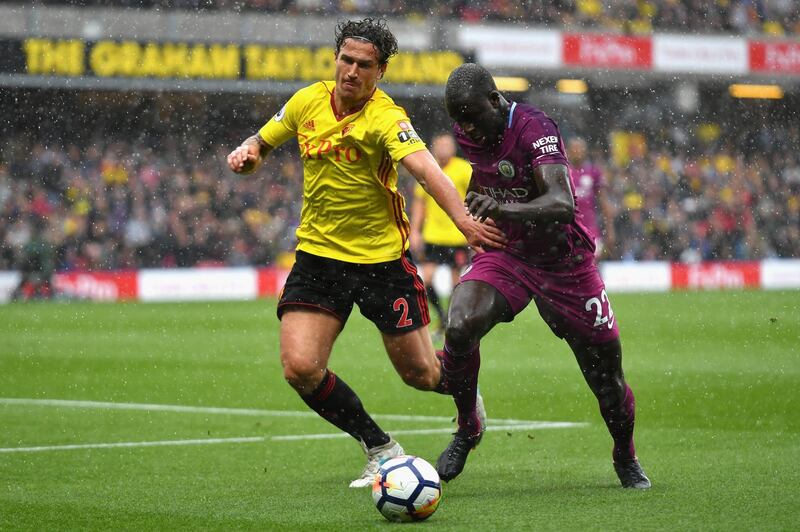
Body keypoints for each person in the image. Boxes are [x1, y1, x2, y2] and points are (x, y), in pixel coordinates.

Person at [226, 20, 505, 488]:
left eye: (364, 65)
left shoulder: (386, 118)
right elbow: (261, 141)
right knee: (299, 368)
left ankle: (464, 388)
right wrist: (249, 154)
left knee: (419, 374)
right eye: (346, 60)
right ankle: (380, 448)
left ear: (381, 71)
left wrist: (462, 220)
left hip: (382, 263)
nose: (352, 72)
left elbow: (425, 169)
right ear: (336, 58)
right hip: (317, 258)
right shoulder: (305, 102)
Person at [434, 63, 650, 489]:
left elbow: (562, 203)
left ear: (495, 101)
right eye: (460, 121)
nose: (469, 130)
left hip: (564, 263)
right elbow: (487, 173)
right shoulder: (468, 129)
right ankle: (467, 427)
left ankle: (625, 453)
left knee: (605, 378)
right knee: (459, 325)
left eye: (474, 117)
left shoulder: (535, 128)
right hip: (509, 254)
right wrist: (482, 216)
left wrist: (501, 209)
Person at [409, 133, 472, 340]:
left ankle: (454, 324)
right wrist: (415, 231)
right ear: (433, 147)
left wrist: (473, 225)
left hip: (457, 236)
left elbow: (475, 196)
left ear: (453, 148)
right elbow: (420, 203)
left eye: (447, 145)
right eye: (440, 145)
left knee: (457, 282)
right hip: (433, 236)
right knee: (424, 281)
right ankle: (443, 318)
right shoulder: (428, 168)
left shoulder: (463, 169)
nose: (444, 149)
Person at [567, 137, 616, 259]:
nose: (577, 151)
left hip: (590, 229)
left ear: (585, 151)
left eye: (580, 148)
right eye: (574, 149)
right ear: (567, 151)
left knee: (591, 265)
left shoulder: (594, 172)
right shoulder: (564, 172)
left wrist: (610, 230)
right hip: (568, 230)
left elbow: (604, 202)